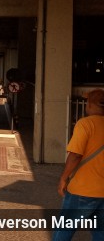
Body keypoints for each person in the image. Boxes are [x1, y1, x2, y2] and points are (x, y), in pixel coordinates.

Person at [53, 88, 104, 240]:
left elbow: (75, 155)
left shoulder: (85, 124)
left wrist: (63, 178)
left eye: (87, 102)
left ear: (92, 104)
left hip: (83, 190)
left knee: (64, 230)